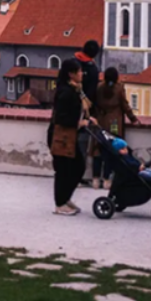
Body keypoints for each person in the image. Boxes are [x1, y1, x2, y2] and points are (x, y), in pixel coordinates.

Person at [49, 59, 95, 216]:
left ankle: (65, 198)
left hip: (69, 136)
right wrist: (80, 122)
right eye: (79, 71)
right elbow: (61, 118)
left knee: (76, 167)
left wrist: (88, 119)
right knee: (64, 170)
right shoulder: (66, 92)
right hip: (60, 137)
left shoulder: (75, 90)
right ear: (71, 74)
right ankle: (60, 203)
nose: (82, 74)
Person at [91, 67, 137, 189]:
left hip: (100, 121)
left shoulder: (99, 87)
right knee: (112, 149)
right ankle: (107, 179)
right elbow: (125, 105)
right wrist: (133, 118)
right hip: (114, 123)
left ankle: (95, 179)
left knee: (98, 149)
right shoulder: (119, 88)